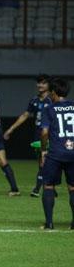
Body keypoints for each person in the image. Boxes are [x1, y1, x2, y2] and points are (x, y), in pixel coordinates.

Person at [3, 74, 51, 196]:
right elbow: (25, 115)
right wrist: (11, 129)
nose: (40, 85)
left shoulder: (52, 100)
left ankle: (37, 189)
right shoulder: (34, 100)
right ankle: (49, 187)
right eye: (39, 82)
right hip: (38, 136)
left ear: (49, 85)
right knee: (43, 162)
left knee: (44, 162)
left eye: (43, 83)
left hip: (50, 135)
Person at [37, 77, 74, 230]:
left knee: (48, 186)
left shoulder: (49, 109)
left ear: (53, 92)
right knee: (72, 187)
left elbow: (44, 132)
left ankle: (49, 223)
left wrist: (43, 150)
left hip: (55, 153)